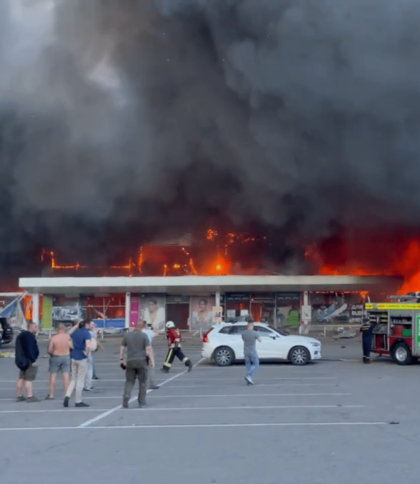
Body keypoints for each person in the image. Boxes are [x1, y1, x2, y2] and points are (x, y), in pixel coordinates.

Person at [120, 320, 155, 408]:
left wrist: (121, 359)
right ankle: (141, 401)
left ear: (135, 326)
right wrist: (152, 360)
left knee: (129, 381)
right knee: (143, 382)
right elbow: (148, 349)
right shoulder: (144, 335)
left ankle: (126, 396)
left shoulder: (127, 335)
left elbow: (122, 347)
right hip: (141, 361)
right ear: (143, 326)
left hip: (130, 361)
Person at [63, 319, 91, 408]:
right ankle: (78, 401)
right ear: (87, 324)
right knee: (80, 380)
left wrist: (76, 326)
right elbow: (89, 345)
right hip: (81, 357)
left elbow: (67, 334)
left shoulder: (76, 332)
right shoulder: (86, 333)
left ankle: (67, 395)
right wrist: (86, 353)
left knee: (73, 379)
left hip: (73, 356)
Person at [46, 323, 73, 400]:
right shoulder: (67, 337)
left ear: (57, 329)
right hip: (66, 356)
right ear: (64, 329)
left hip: (56, 357)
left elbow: (50, 349)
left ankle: (51, 395)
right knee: (66, 376)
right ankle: (67, 394)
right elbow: (72, 346)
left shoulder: (53, 338)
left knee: (53, 376)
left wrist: (51, 353)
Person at [15, 322, 40, 403]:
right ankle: (30, 396)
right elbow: (29, 349)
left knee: (21, 378)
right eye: (35, 327)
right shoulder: (30, 337)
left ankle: (19, 395)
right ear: (31, 327)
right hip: (29, 360)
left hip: (21, 360)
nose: (37, 329)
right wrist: (33, 360)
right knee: (28, 379)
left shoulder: (21, 336)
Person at [242, 321, 261, 385]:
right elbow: (260, 340)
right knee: (256, 364)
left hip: (245, 351)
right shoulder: (255, 333)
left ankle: (248, 381)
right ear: (252, 326)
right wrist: (258, 334)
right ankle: (249, 376)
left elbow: (243, 339)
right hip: (252, 351)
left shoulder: (243, 333)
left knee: (248, 365)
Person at [142, 322, 160, 390]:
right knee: (151, 367)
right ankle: (151, 383)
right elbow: (157, 334)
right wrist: (155, 327)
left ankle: (142, 383)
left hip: (139, 351)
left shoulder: (138, 332)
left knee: (141, 368)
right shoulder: (149, 332)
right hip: (148, 350)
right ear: (145, 325)